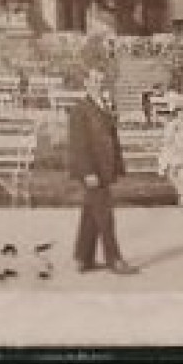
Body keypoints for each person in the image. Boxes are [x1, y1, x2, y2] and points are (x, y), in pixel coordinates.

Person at [66, 68, 140, 275]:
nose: (99, 83)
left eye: (102, 80)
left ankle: (84, 258)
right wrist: (88, 172)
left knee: (91, 212)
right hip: (93, 171)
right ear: (86, 83)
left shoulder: (104, 106)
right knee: (105, 214)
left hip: (105, 169)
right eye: (95, 80)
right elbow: (79, 145)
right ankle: (114, 260)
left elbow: (110, 138)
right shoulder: (80, 110)